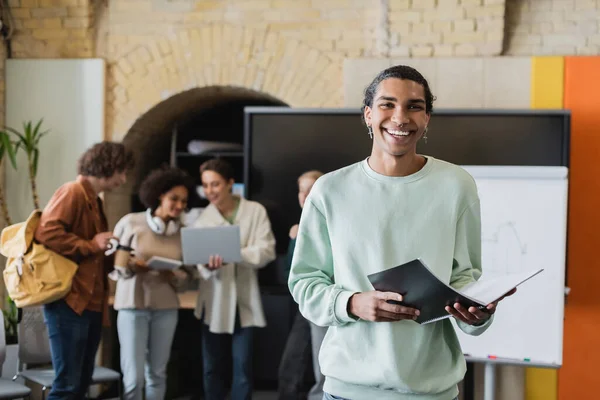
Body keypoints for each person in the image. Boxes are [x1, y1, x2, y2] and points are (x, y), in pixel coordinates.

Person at [288, 65, 516, 400]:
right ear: (368, 115)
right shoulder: (329, 191)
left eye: (414, 106)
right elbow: (304, 281)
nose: (400, 117)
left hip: (432, 390)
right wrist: (351, 303)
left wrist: (476, 311)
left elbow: (465, 276)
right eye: (387, 104)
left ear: (427, 119)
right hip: (348, 390)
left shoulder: (456, 186)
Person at [35, 141, 134, 400]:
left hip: (89, 303)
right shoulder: (73, 192)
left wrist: (118, 257)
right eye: (122, 171)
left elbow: (92, 252)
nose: (123, 179)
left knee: (79, 385)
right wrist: (92, 244)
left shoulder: (94, 201)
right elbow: (47, 232)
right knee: (67, 387)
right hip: (70, 301)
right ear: (108, 166)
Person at [110, 167, 197, 400]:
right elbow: (115, 269)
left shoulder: (184, 233)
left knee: (157, 374)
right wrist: (133, 266)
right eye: (174, 199)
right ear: (159, 195)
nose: (179, 206)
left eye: (184, 201)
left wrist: (173, 275)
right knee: (133, 378)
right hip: (132, 307)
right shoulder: (131, 223)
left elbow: (189, 277)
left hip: (166, 308)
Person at [193, 158, 276, 400]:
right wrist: (207, 266)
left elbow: (267, 250)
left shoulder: (255, 211)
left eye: (215, 184)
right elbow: (199, 264)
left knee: (242, 370)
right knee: (212, 369)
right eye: (206, 186)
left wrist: (234, 254)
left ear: (230, 183)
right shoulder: (202, 219)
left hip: (244, 301)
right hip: (214, 302)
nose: (210, 191)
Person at [278, 170, 327, 400]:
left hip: (324, 302)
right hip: (301, 304)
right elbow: (289, 272)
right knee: (291, 363)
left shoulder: (331, 222)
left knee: (323, 367)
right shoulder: (296, 229)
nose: (306, 195)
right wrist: (295, 240)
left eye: (312, 188)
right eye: (302, 190)